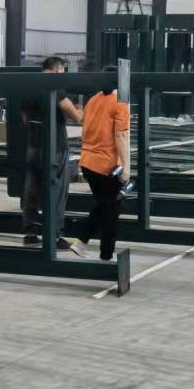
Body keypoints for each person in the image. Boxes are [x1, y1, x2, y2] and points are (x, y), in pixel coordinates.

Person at [20, 56, 84, 252]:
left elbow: (24, 118)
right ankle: (54, 235)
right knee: (57, 190)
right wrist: (81, 110)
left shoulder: (28, 86)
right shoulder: (56, 87)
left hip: (33, 145)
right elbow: (76, 117)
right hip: (55, 147)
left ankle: (31, 233)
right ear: (57, 69)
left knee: (32, 188)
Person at [73, 75, 132, 262]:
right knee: (111, 211)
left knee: (106, 204)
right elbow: (121, 136)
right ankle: (106, 256)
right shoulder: (120, 103)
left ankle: (81, 241)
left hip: (87, 162)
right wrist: (126, 166)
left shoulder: (93, 100)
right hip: (106, 166)